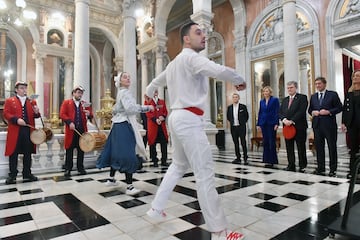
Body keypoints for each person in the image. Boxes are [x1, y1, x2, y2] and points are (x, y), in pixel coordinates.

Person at [145, 21, 246, 240]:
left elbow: (154, 82)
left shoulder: (173, 64)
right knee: (205, 174)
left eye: (204, 33)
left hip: (176, 117)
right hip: (188, 119)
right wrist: (239, 79)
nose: (204, 37)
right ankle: (220, 231)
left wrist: (150, 90)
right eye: (198, 33)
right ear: (186, 39)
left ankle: (156, 208)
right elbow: (217, 70)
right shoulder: (192, 58)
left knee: (178, 165)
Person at [96, 72, 154, 195]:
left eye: (129, 77)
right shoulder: (125, 92)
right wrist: (147, 108)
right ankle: (129, 186)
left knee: (114, 151)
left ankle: (111, 178)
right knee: (128, 153)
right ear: (120, 81)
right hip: (123, 125)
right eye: (124, 77)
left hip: (117, 125)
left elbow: (116, 109)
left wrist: (119, 110)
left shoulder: (120, 93)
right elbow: (130, 108)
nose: (128, 78)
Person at [3, 81, 40, 184]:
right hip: (15, 130)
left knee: (28, 153)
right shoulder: (10, 101)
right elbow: (6, 113)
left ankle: (27, 173)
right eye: (21, 88)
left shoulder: (31, 102)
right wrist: (16, 120)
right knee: (13, 153)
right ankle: (12, 175)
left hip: (28, 130)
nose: (24, 90)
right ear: (16, 90)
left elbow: (36, 116)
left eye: (25, 88)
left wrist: (37, 112)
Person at [308, 77, 342, 177]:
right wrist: (312, 112)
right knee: (319, 147)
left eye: (319, 83)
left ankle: (333, 169)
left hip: (329, 125)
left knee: (332, 147)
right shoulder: (313, 96)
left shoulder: (332, 94)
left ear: (324, 84)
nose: (318, 85)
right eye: (316, 84)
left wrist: (329, 112)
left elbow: (339, 107)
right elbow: (310, 110)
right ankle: (320, 167)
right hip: (317, 125)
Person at [60, 86, 94, 177]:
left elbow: (91, 115)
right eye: (78, 92)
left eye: (81, 93)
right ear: (73, 93)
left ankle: (80, 168)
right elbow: (62, 114)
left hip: (82, 130)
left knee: (81, 149)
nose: (80, 94)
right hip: (71, 130)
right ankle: (68, 169)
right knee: (69, 150)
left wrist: (89, 114)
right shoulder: (67, 103)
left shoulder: (84, 104)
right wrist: (69, 122)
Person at [279, 81, 308, 172]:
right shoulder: (285, 100)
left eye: (291, 87)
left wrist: (292, 121)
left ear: (296, 88)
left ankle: (302, 165)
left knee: (300, 146)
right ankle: (291, 165)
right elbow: (280, 112)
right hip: (287, 127)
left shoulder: (302, 97)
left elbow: (301, 111)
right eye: (288, 88)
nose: (289, 89)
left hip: (299, 126)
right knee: (289, 147)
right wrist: (284, 120)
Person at [341, 69, 360, 179]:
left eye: (358, 76)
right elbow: (345, 109)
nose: (355, 78)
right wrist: (344, 122)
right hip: (352, 124)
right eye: (354, 76)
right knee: (353, 148)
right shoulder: (349, 93)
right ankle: (353, 170)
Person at [256, 86, 279, 168]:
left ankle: (272, 160)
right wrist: (258, 124)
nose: (265, 93)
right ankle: (266, 159)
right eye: (264, 91)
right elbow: (260, 112)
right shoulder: (261, 101)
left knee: (271, 142)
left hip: (272, 123)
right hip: (263, 123)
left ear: (270, 92)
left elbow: (277, 111)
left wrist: (277, 123)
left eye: (267, 91)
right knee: (265, 142)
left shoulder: (275, 100)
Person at [146, 89, 169, 167]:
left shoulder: (162, 102)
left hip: (161, 126)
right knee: (153, 143)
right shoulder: (148, 102)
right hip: (153, 125)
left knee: (164, 142)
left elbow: (165, 111)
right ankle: (154, 160)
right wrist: (155, 119)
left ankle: (164, 160)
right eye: (153, 91)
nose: (155, 92)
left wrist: (163, 117)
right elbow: (148, 113)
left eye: (156, 91)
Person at [226, 92, 249, 165]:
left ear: (238, 98)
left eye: (236, 97)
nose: (235, 98)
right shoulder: (229, 107)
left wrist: (242, 123)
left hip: (241, 127)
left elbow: (246, 116)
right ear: (232, 99)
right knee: (236, 143)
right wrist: (233, 123)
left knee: (243, 142)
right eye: (233, 97)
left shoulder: (243, 107)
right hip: (233, 127)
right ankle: (238, 157)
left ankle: (245, 157)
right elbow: (228, 117)